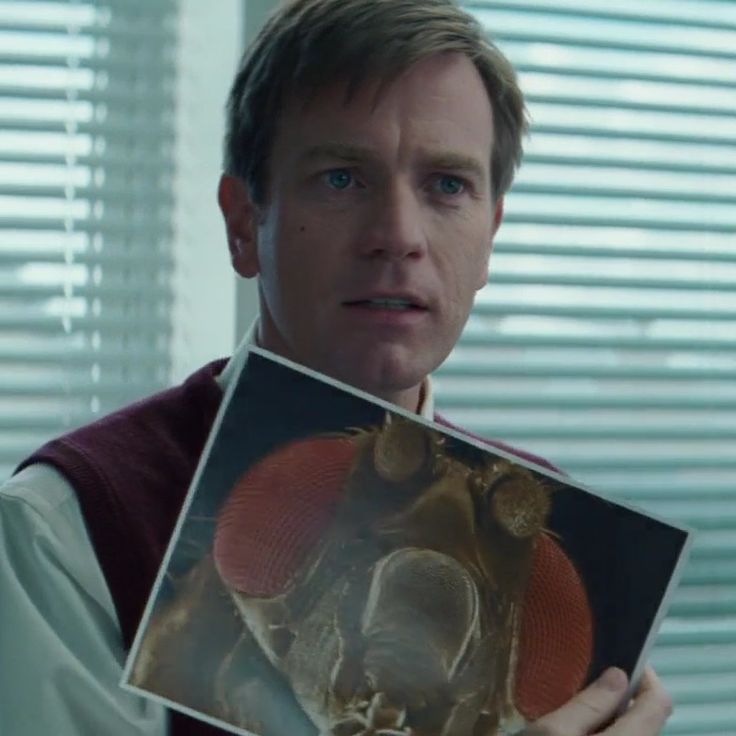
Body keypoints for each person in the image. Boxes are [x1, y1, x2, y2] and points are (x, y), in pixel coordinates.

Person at [0, 0, 673, 734]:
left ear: (489, 239)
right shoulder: (62, 535)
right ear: (242, 224)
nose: (398, 237)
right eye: (342, 178)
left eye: (447, 185)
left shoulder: (552, 533)